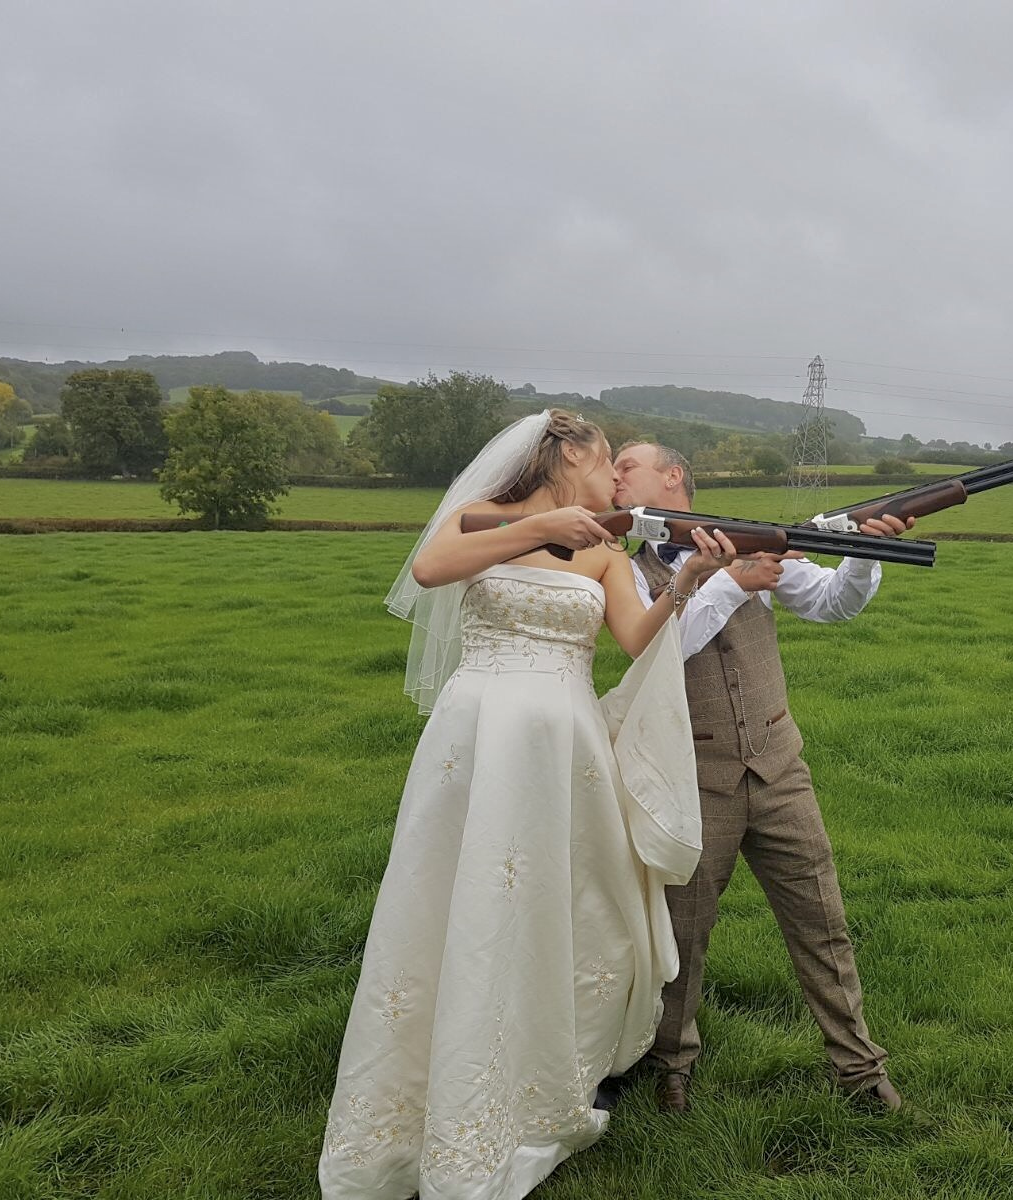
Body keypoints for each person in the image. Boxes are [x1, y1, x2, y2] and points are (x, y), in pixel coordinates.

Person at [320, 410, 736, 1200]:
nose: (613, 474)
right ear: (567, 453)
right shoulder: (489, 523)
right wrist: (539, 526)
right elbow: (433, 569)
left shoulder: (608, 553)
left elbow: (638, 643)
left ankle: (543, 1071)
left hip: (563, 752)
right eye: (605, 458)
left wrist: (682, 586)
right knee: (451, 899)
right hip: (476, 738)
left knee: (570, 905)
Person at [611, 440, 911, 1114]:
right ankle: (672, 1067)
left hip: (779, 764)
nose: (612, 479)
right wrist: (727, 582)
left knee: (821, 920)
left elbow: (834, 603)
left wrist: (865, 549)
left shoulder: (752, 541)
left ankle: (860, 1071)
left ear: (672, 474)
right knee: (682, 932)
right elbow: (656, 651)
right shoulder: (626, 572)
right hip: (692, 772)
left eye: (624, 466)